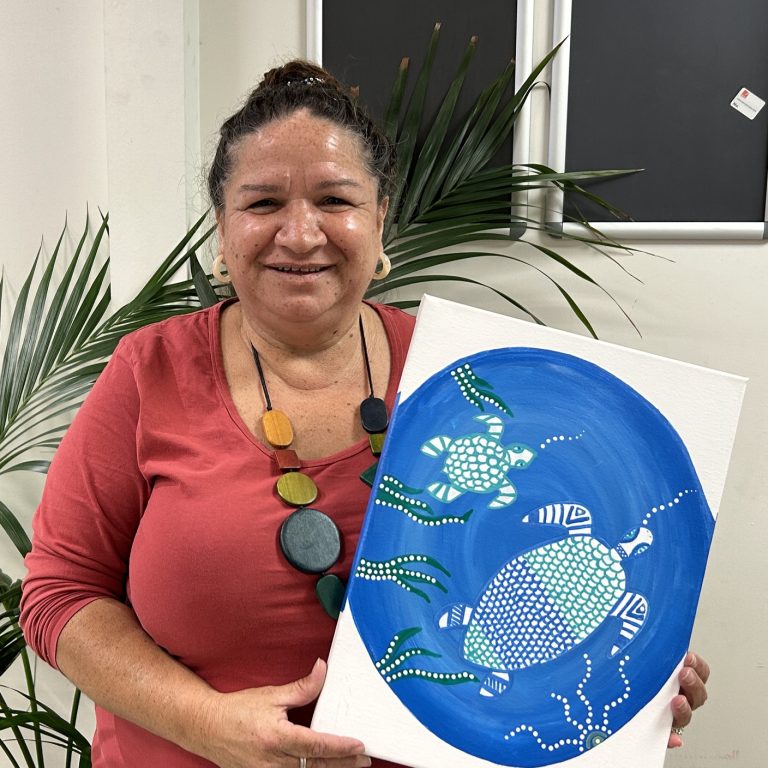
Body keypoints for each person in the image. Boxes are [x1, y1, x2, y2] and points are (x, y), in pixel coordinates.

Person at [20, 60, 710, 768]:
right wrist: (203, 724)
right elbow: (57, 595)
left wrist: (631, 672)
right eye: (261, 205)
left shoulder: (470, 381)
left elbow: (538, 542)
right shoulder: (149, 374)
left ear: (379, 224)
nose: (299, 233)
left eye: (334, 200)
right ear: (222, 234)